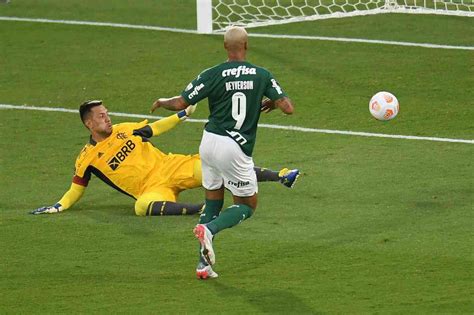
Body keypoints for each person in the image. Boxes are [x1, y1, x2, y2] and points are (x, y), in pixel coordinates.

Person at [151, 26, 295, 279]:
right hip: (234, 147)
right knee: (247, 205)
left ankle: (202, 265)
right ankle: (209, 230)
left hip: (209, 142)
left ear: (225, 47)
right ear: (247, 45)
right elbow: (288, 108)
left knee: (213, 201)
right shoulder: (262, 75)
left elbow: (181, 103)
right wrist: (272, 100)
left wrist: (163, 102)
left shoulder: (212, 74)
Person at [31, 100, 299, 217]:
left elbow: (155, 128)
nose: (108, 117)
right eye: (102, 116)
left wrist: (182, 115)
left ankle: (281, 176)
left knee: (219, 166)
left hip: (171, 166)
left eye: (107, 112)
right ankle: (201, 209)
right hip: (151, 188)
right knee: (140, 207)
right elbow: (77, 188)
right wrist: (58, 206)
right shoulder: (87, 158)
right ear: (89, 124)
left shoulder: (125, 129)